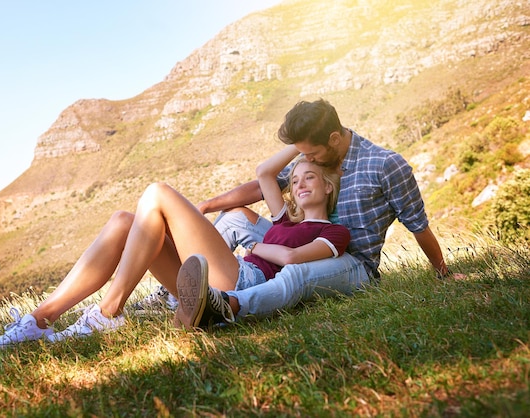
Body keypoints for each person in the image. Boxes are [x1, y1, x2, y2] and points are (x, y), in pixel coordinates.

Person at [0, 145, 348, 350]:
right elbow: (265, 172)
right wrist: (299, 145)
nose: (299, 184)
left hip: (244, 280)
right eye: (295, 179)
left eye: (309, 177)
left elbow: (291, 258)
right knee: (124, 221)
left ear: (328, 187)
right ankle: (39, 321)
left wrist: (258, 246)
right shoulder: (285, 218)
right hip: (235, 269)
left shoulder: (334, 232)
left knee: (157, 193)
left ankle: (106, 315)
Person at [176, 97, 459, 328]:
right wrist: (207, 205)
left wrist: (442, 273)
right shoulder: (316, 160)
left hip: (351, 261)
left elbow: (417, 224)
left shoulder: (385, 164)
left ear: (334, 138)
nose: (305, 160)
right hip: (306, 234)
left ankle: (227, 306)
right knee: (235, 216)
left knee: (297, 273)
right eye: (302, 153)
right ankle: (176, 294)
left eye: (310, 154)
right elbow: (267, 182)